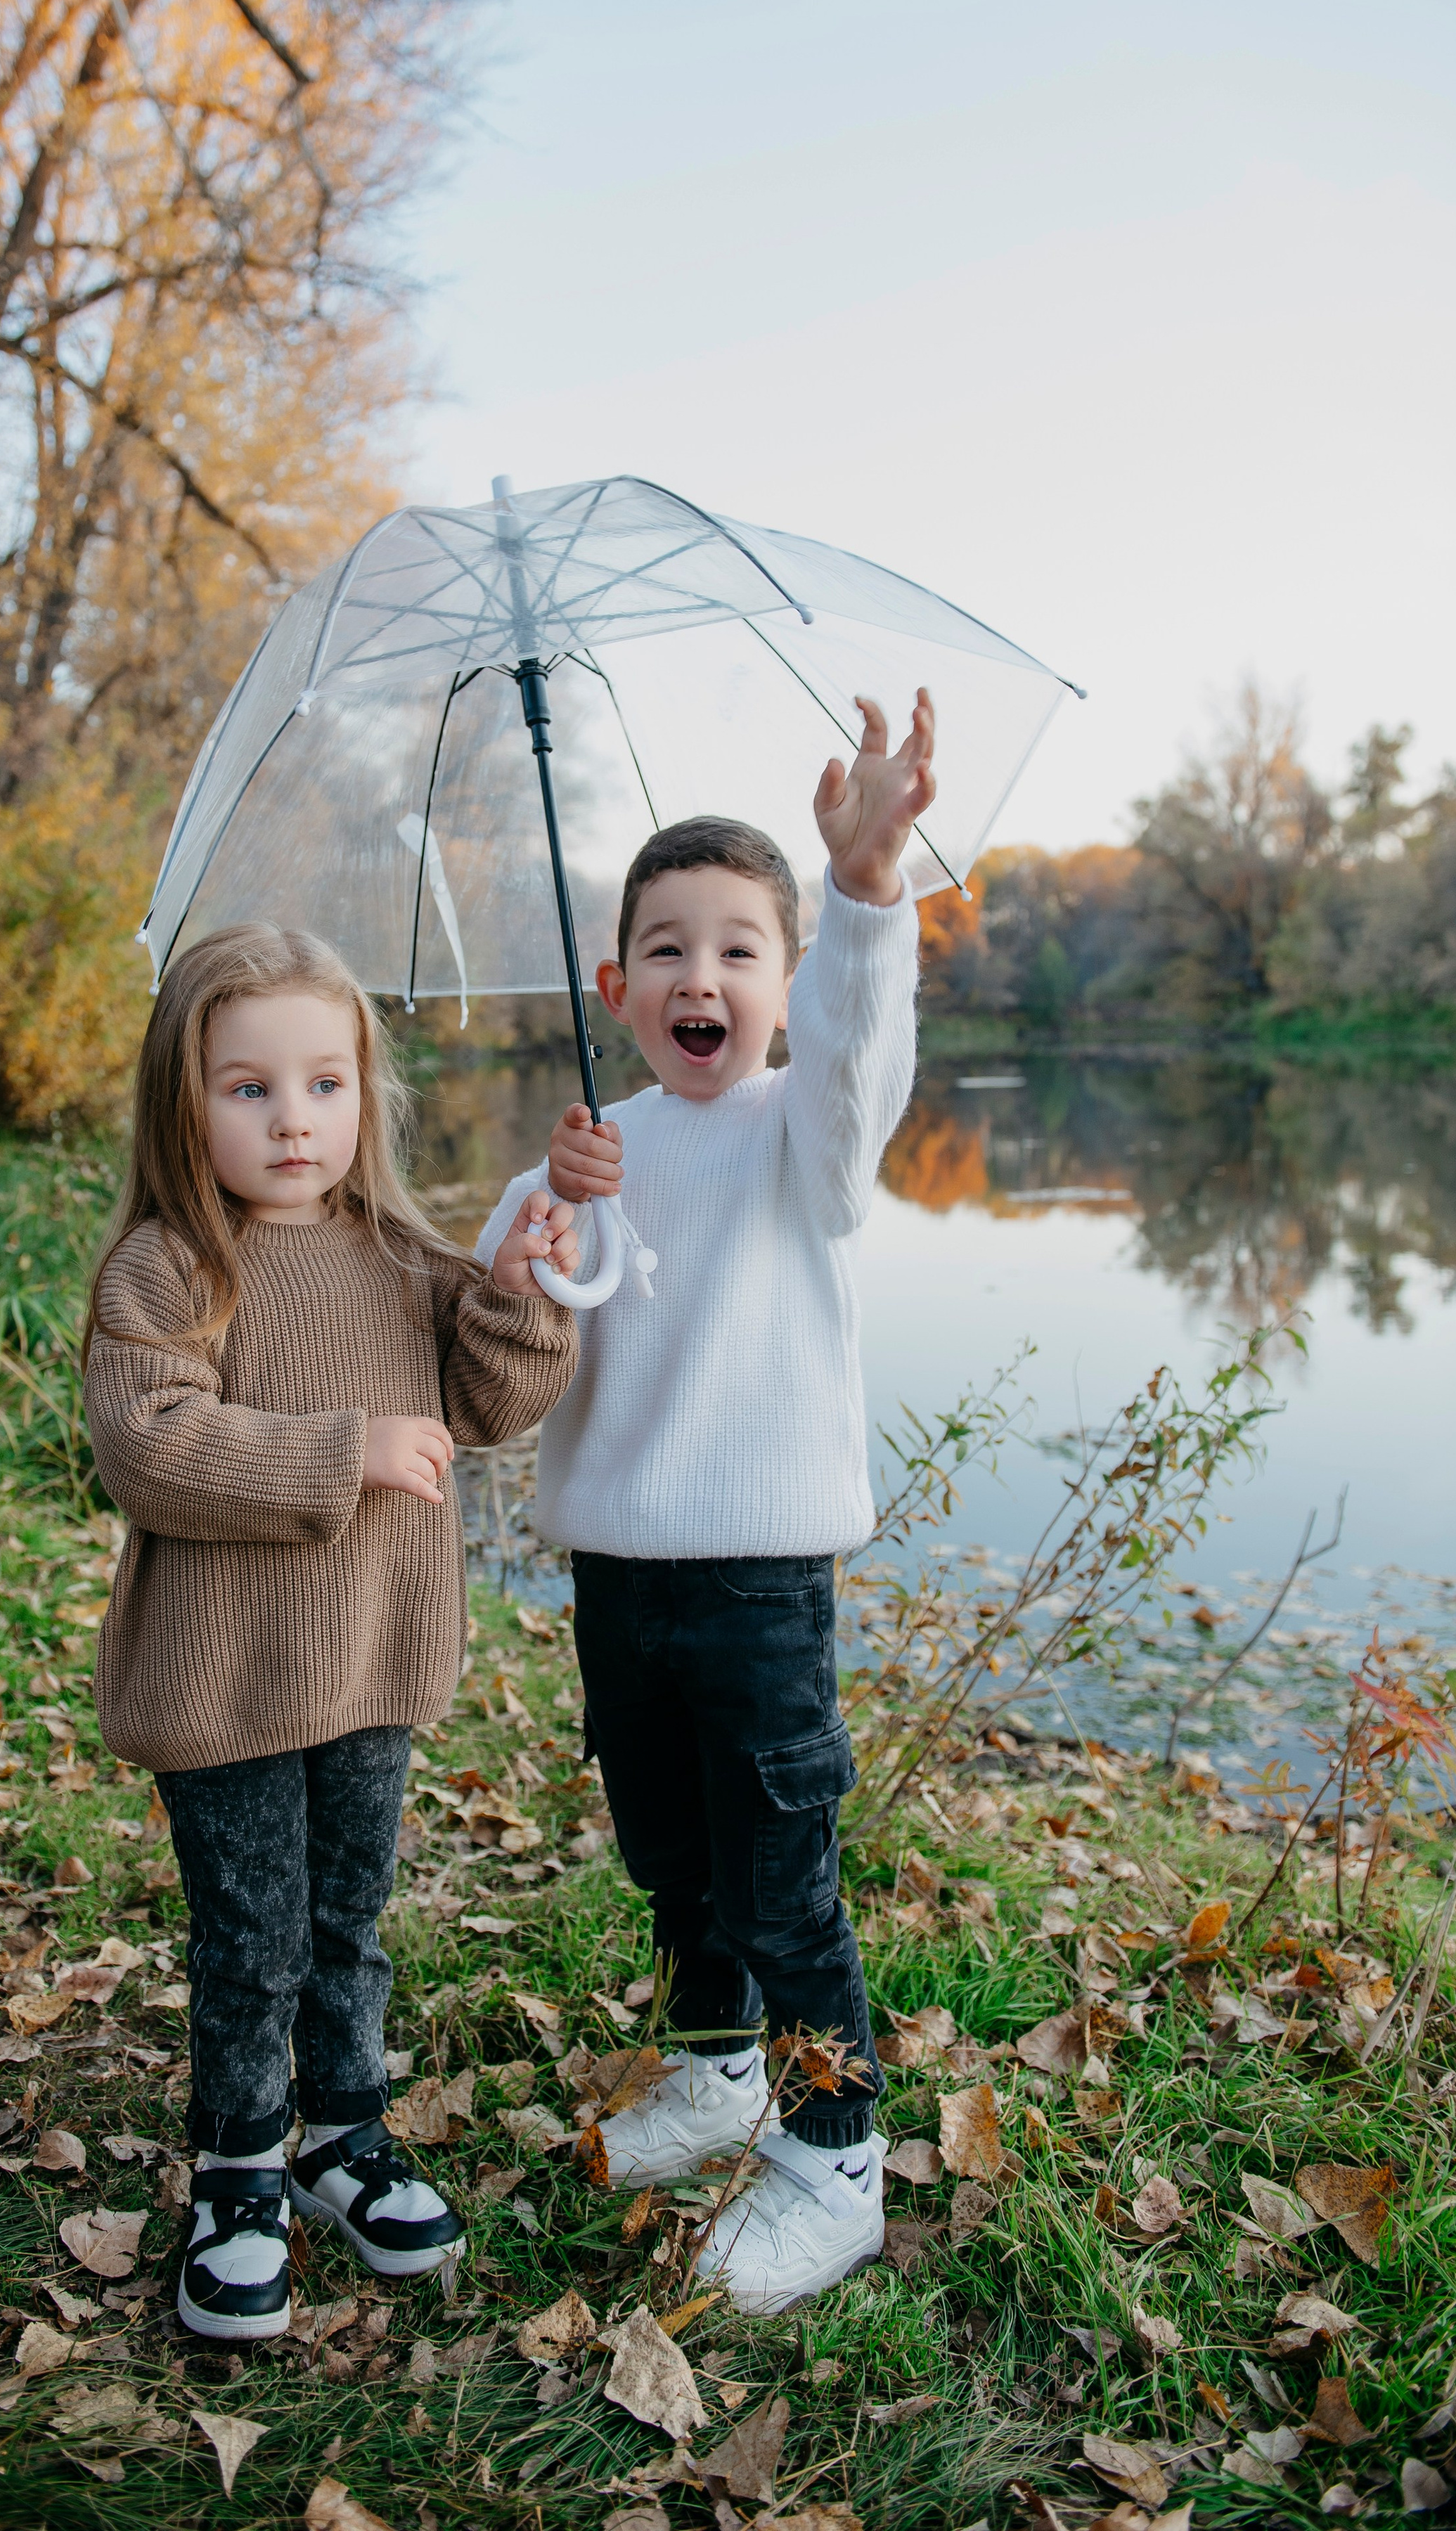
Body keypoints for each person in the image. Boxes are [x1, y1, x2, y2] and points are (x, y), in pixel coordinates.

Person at [477, 690, 934, 2316]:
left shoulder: (795, 1141)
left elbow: (856, 1086)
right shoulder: (581, 1158)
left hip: (756, 1585)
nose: (700, 978)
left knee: (777, 1877)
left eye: (740, 950)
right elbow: (495, 1339)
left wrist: (864, 887)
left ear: (783, 988)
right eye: (664, 948)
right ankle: (720, 2068)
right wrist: (536, 1223)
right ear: (613, 987)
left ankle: (831, 2161)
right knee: (669, 1853)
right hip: (615, 1570)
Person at [83, 922, 580, 2341]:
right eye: (247, 1088)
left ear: (366, 1097)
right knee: (253, 1934)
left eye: (323, 1085)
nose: (291, 1119)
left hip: (369, 1662)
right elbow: (149, 1442)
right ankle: (238, 2163)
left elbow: (491, 1407)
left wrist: (518, 1295)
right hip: (226, 1676)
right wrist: (339, 1448)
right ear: (183, 1102)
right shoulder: (168, 1269)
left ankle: (340, 2135)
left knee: (347, 1920)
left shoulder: (400, 1255)